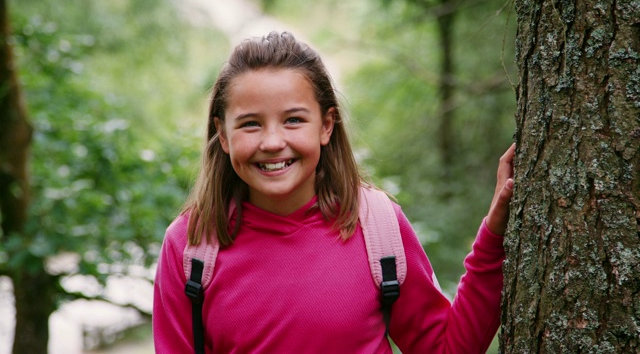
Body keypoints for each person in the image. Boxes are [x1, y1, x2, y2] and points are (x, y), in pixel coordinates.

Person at [153, 31, 515, 353]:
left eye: (294, 119)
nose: (273, 142)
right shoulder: (190, 246)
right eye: (250, 124)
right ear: (224, 133)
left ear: (326, 125)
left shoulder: (377, 226)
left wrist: (495, 237)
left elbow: (446, 348)